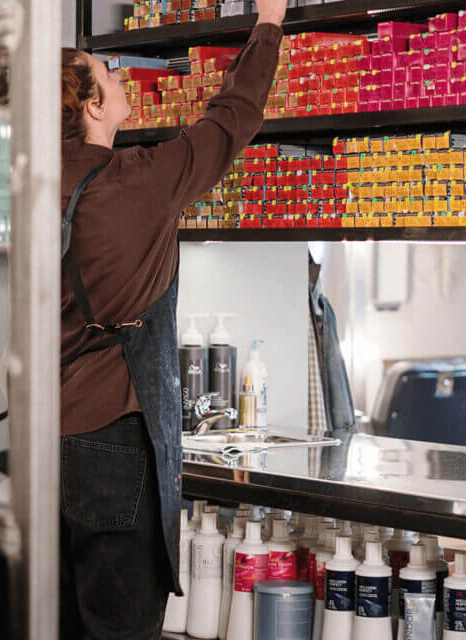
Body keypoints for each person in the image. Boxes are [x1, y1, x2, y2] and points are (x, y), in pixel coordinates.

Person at [59, 2, 286, 637]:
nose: (122, 77)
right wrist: (268, 21)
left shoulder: (23, 188)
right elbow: (231, 119)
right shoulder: (136, 183)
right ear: (93, 109)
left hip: (43, 442)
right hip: (113, 442)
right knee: (124, 625)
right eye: (109, 72)